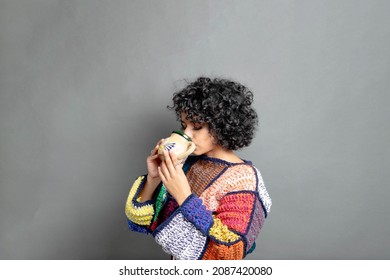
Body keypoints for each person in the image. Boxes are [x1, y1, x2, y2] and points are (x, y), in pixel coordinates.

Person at [125, 76, 272, 260]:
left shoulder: (244, 179)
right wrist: (154, 179)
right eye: (184, 125)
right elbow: (140, 221)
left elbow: (229, 254)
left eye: (197, 127)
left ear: (222, 126)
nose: (186, 135)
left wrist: (185, 198)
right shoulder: (187, 164)